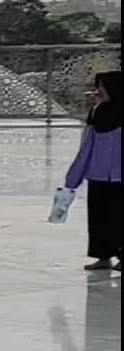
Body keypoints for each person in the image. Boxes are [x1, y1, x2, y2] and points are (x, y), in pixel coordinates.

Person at [64, 70, 122, 271]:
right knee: (99, 218)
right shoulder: (97, 113)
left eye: (103, 87)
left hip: (119, 177)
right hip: (98, 176)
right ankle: (103, 256)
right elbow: (86, 148)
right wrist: (72, 180)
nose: (99, 91)